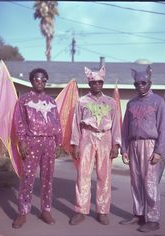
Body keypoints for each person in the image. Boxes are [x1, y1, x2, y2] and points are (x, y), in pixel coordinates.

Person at [69, 65, 121, 225]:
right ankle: (81, 210)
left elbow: (116, 124)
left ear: (102, 83)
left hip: (105, 137)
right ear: (89, 83)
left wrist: (116, 144)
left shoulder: (111, 102)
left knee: (104, 176)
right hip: (87, 136)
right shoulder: (81, 102)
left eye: (99, 82)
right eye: (93, 82)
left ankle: (103, 211)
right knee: (83, 175)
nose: (96, 85)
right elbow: (75, 124)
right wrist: (75, 145)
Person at [12, 68, 62, 229]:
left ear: (46, 81)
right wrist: (22, 142)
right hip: (32, 141)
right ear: (31, 81)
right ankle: (22, 211)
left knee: (48, 177)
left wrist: (58, 142)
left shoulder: (51, 102)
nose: (40, 82)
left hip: (49, 143)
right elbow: (19, 122)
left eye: (43, 80)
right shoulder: (24, 100)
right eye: (36, 79)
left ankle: (45, 210)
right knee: (27, 177)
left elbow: (57, 123)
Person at [119, 65, 165, 233]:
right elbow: (125, 127)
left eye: (143, 83)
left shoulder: (158, 102)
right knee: (136, 181)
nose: (140, 86)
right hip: (133, 145)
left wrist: (159, 151)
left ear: (149, 83)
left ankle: (153, 218)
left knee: (150, 182)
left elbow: (163, 128)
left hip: (150, 145)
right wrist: (124, 149)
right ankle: (138, 214)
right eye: (136, 84)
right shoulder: (131, 103)